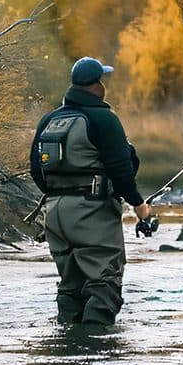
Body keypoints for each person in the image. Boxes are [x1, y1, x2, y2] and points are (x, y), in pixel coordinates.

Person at [29, 57, 152, 325]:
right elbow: (122, 171)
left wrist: (62, 196)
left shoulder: (49, 119)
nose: (103, 86)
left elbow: (37, 172)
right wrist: (140, 208)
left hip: (55, 216)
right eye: (101, 81)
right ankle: (95, 353)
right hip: (92, 213)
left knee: (70, 287)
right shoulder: (103, 118)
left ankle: (67, 350)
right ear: (95, 85)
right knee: (104, 284)